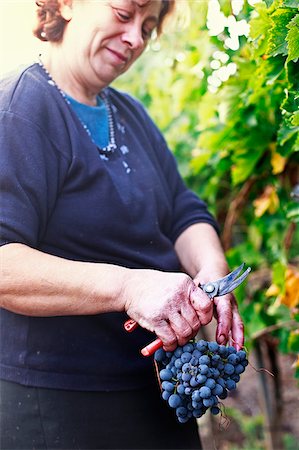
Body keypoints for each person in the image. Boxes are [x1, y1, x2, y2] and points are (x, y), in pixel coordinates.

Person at [0, 0, 244, 448]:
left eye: (148, 27)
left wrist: (213, 275)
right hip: (61, 409)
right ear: (67, 4)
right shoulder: (21, 108)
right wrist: (130, 288)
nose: (136, 38)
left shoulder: (130, 115)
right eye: (123, 12)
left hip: (161, 396)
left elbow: (184, 213)